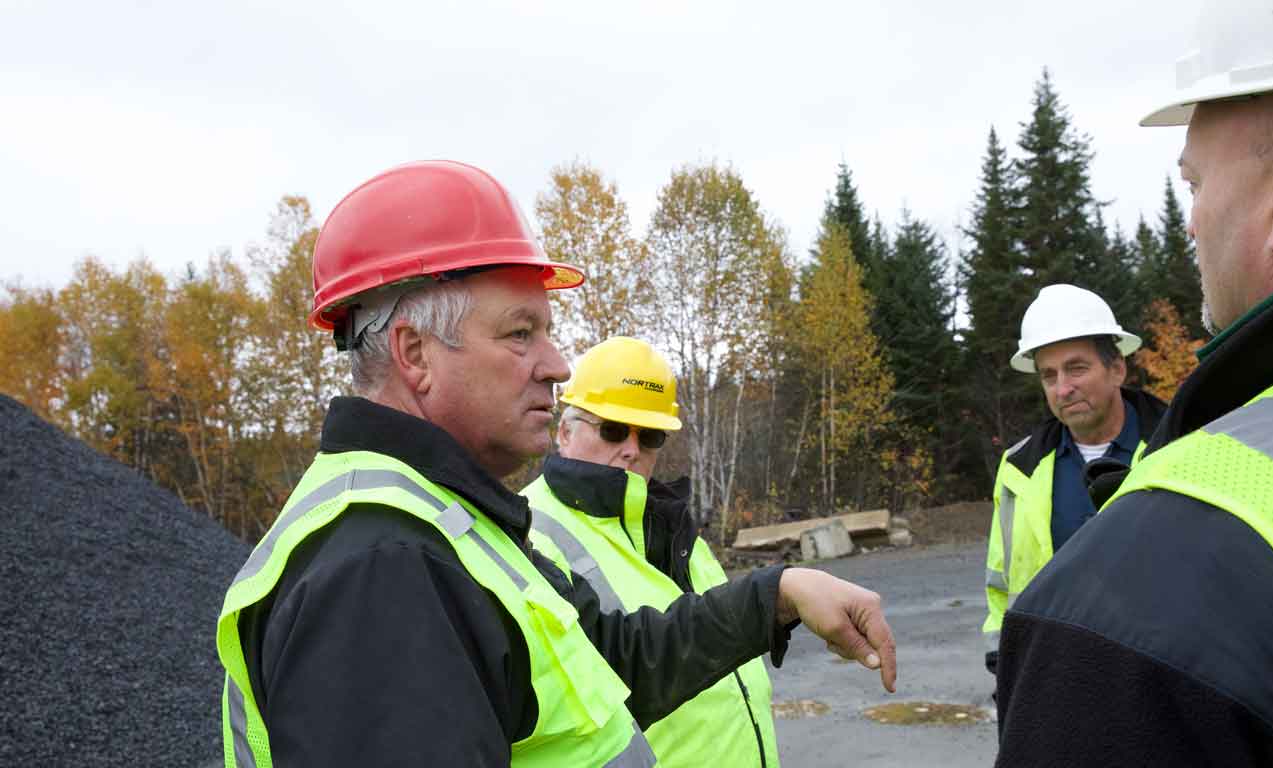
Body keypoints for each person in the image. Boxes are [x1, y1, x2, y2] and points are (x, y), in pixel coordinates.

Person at [214, 161, 896, 768]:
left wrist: (780, 593)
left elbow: (621, 661)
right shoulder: (382, 568)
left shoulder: (449, 525)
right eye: (520, 333)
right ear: (415, 354)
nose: (558, 365)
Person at [994, 1, 1273, 764]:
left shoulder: (1193, 524)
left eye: (1194, 182)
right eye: (1049, 373)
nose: (1190, 223)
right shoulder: (1021, 474)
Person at [521, 336, 781, 767]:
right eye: (613, 430)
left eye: (650, 436)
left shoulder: (669, 524)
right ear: (565, 432)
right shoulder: (529, 529)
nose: (631, 449)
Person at [982, 284, 1167, 677]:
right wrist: (1006, 667)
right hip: (1055, 679)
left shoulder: (1179, 450)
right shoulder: (1019, 468)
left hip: (1159, 680)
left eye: (1077, 368)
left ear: (1117, 368)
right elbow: (1001, 587)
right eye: (1049, 376)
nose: (1063, 388)